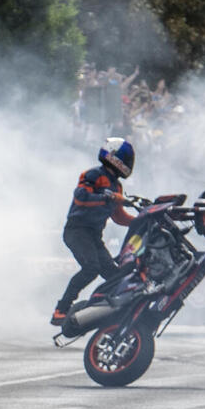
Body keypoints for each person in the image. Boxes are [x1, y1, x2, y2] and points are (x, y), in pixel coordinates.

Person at [53, 137, 137, 327]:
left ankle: (105, 309)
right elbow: (81, 197)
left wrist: (140, 220)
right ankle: (61, 309)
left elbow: (118, 217)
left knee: (115, 277)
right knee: (91, 267)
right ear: (115, 156)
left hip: (94, 236)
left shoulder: (117, 186)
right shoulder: (93, 174)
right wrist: (109, 197)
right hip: (77, 231)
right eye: (126, 158)